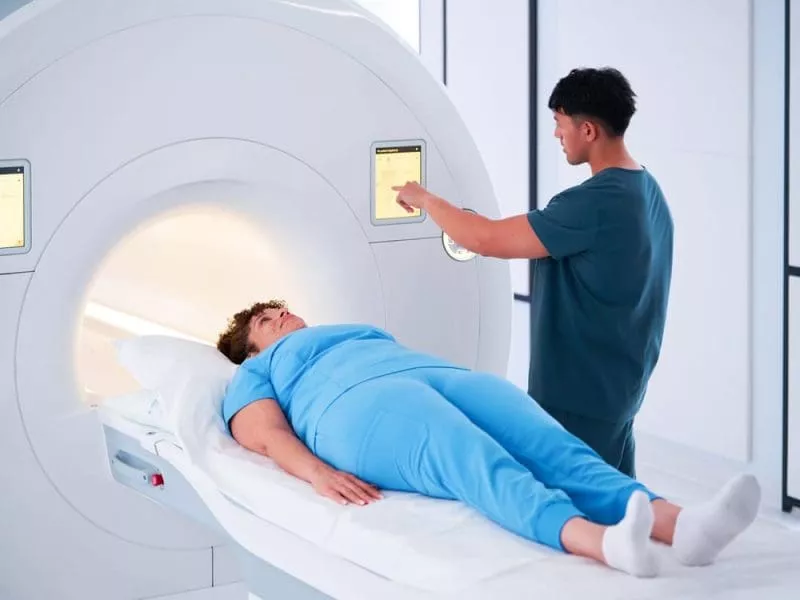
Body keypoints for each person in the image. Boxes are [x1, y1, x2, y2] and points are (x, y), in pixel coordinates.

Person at [216, 300, 759, 579]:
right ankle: (600, 543)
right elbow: (265, 435)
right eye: (265, 319)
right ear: (251, 349)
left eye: (280, 307)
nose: (280, 314)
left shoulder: (345, 331)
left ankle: (683, 526)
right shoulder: (255, 373)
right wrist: (317, 473)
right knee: (472, 457)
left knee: (551, 444)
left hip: (432, 373)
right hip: (356, 406)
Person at [394, 67, 673, 478]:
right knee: (619, 502)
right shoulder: (649, 190)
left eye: (561, 123)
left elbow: (485, 238)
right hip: (621, 389)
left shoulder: (594, 203)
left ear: (588, 130)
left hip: (578, 396)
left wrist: (424, 198)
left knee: (565, 506)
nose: (557, 134)